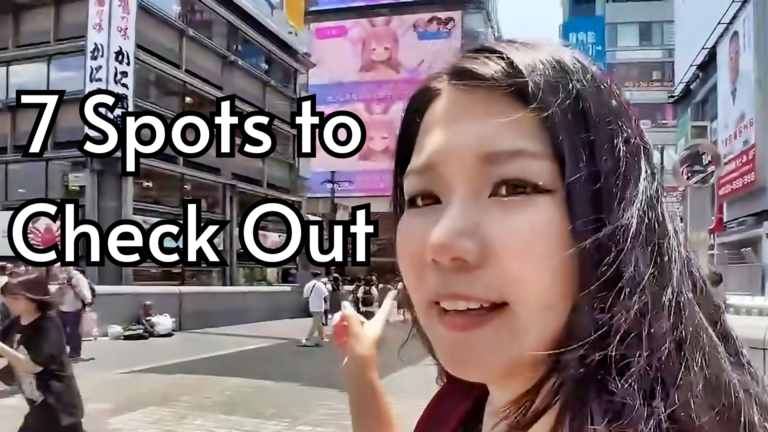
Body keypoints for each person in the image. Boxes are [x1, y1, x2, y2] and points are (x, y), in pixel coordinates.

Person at [333, 40, 768, 431]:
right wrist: (361, 372)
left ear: (609, 218)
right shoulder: (470, 399)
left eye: (513, 188)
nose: (442, 242)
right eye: (424, 198)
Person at [0, 273, 85, 432]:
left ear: (34, 298)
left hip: (57, 404)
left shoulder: (48, 325)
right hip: (40, 402)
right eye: (6, 296)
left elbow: (34, 366)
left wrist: (4, 349)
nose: (8, 302)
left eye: (16, 298)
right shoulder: (15, 322)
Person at [54, 267, 92, 362]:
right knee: (72, 330)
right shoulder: (75, 276)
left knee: (62, 330)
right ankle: (73, 352)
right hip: (71, 306)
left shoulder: (60, 276)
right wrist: (87, 300)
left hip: (63, 306)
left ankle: (68, 352)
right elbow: (83, 289)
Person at [300, 270, 328, 347]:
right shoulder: (320, 285)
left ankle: (322, 337)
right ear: (319, 276)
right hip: (320, 306)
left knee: (319, 323)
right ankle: (307, 338)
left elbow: (305, 297)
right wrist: (326, 304)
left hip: (312, 306)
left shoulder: (308, 285)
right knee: (316, 323)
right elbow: (325, 295)